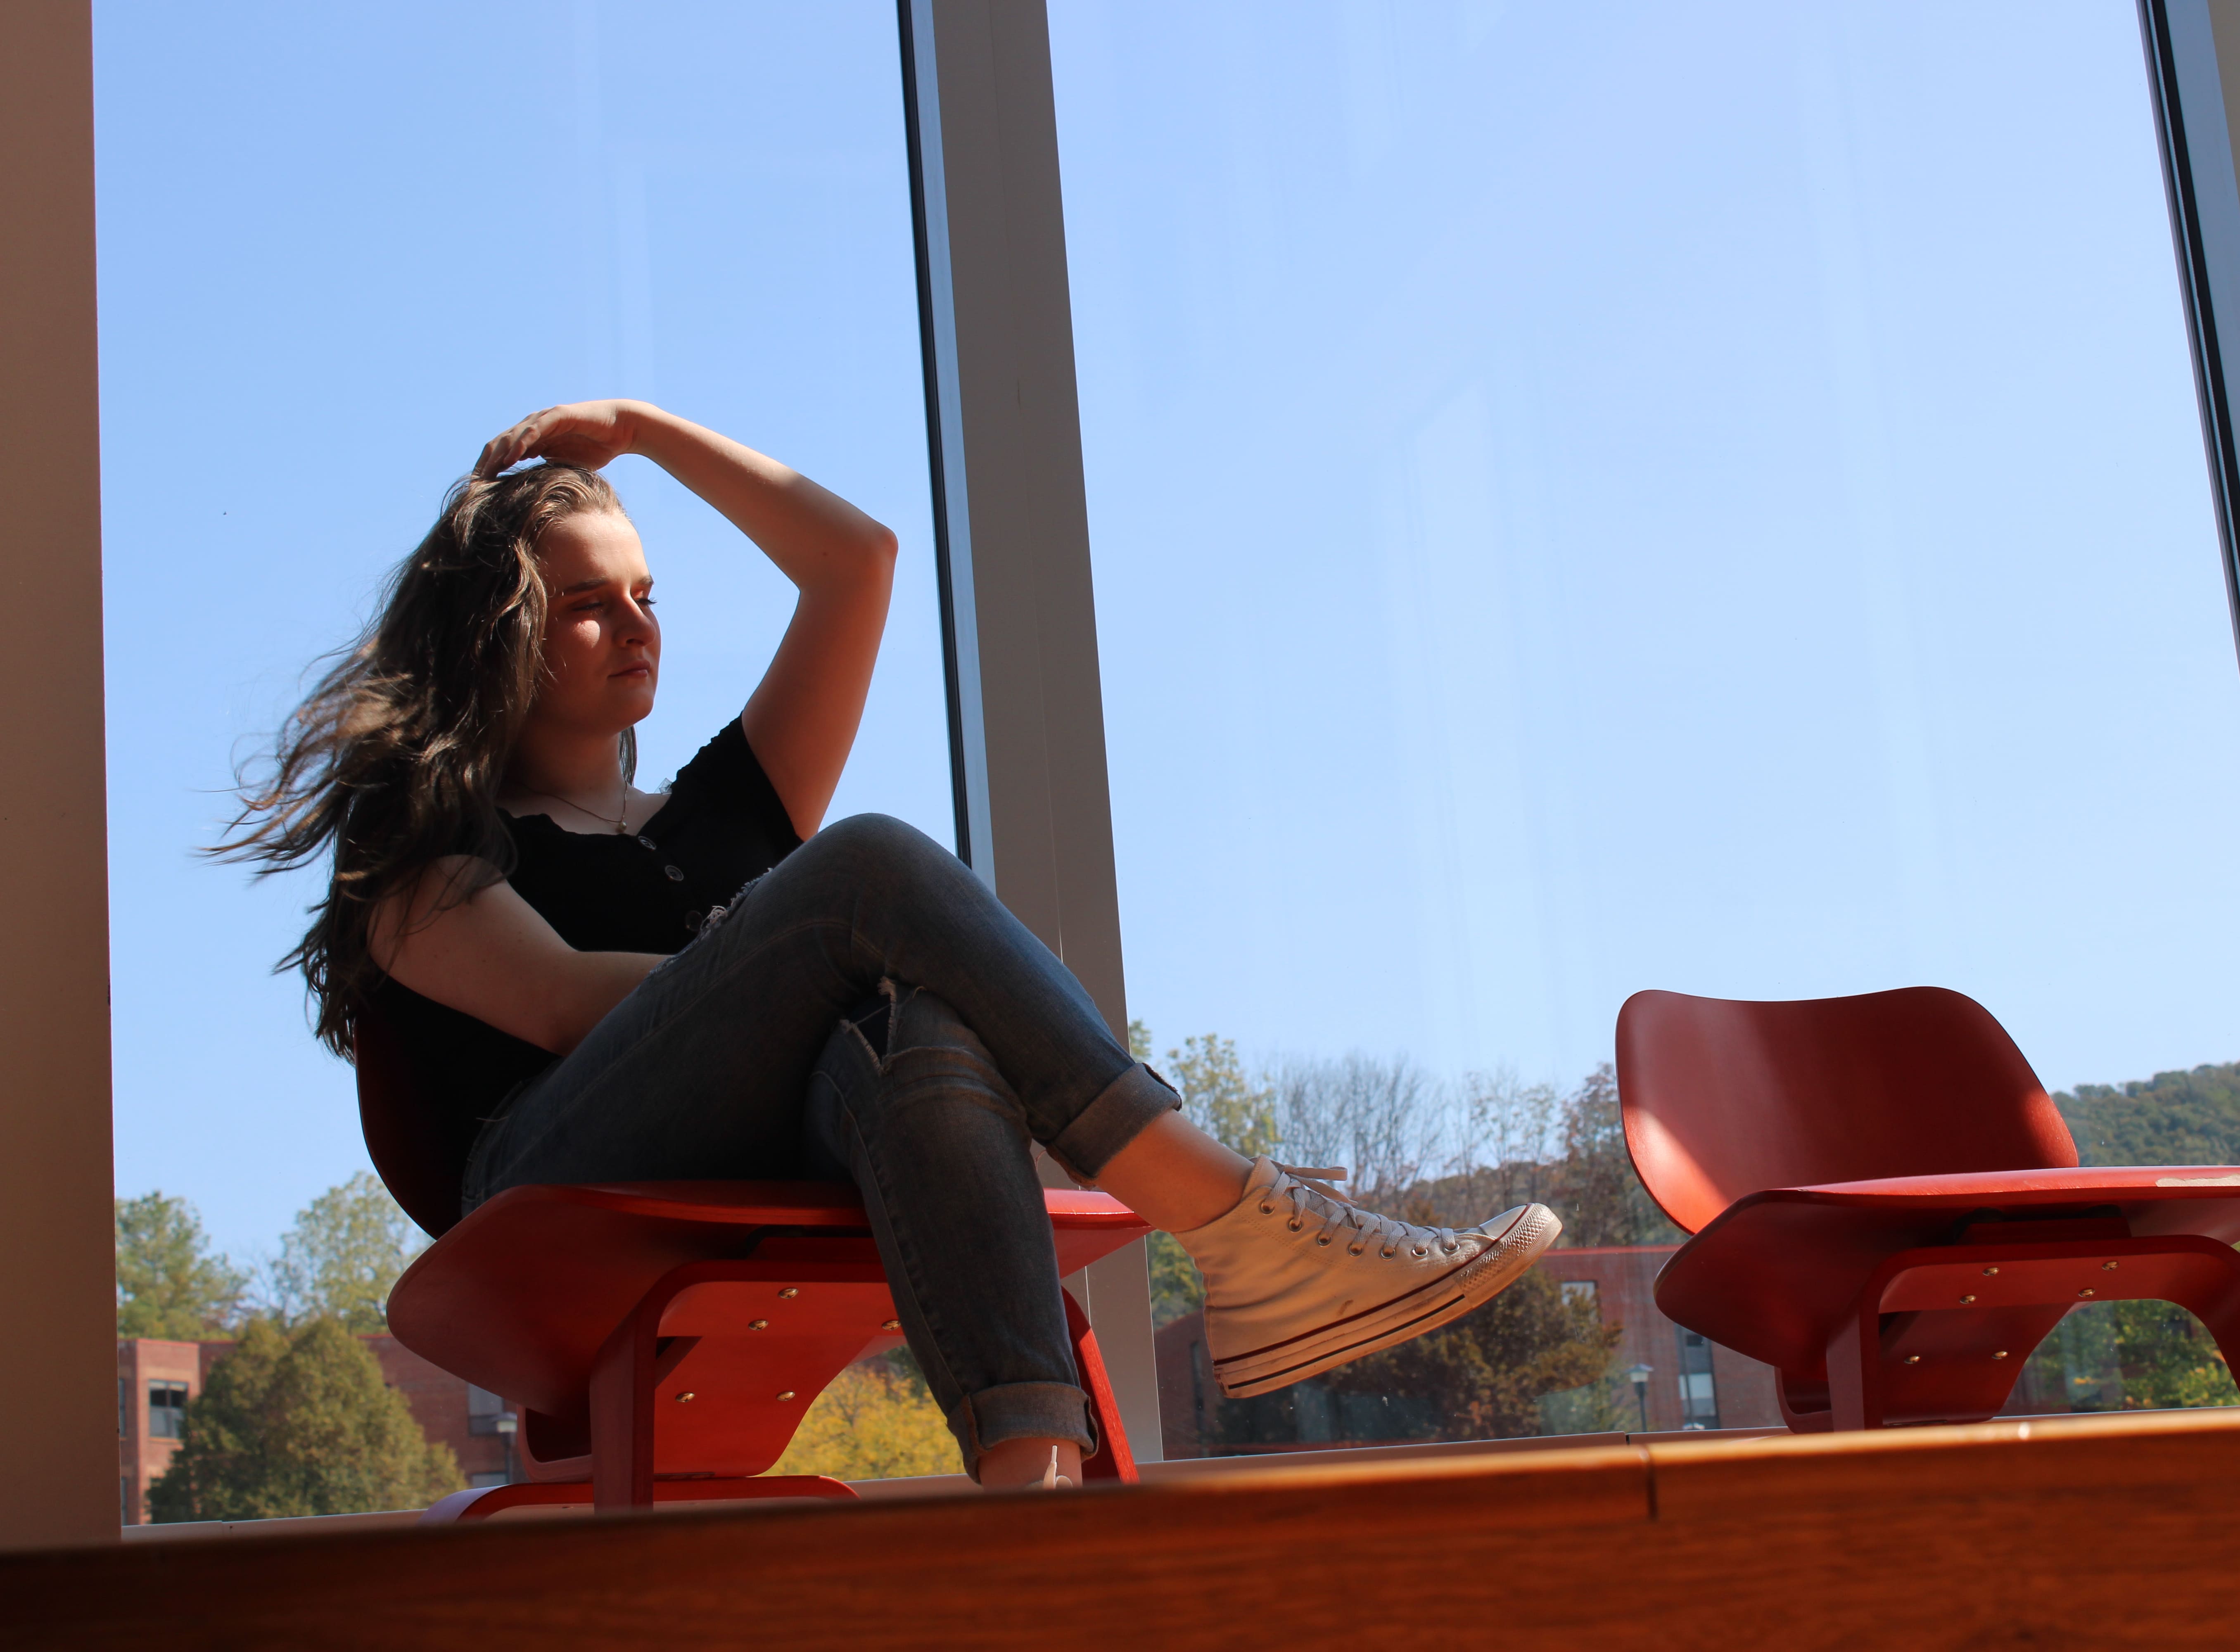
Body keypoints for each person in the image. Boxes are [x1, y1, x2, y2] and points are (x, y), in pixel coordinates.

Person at [227, 400, 1560, 1490]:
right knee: (864, 867)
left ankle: (1030, 1495)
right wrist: (798, 955)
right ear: (496, 633)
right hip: (548, 1183)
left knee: (918, 1037)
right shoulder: (416, 844)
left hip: (772, 1142)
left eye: (648, 594)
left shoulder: (726, 808)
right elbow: (571, 1007)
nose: (637, 627)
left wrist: (643, 432)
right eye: (588, 602)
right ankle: (1231, 1218)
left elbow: (856, 561)